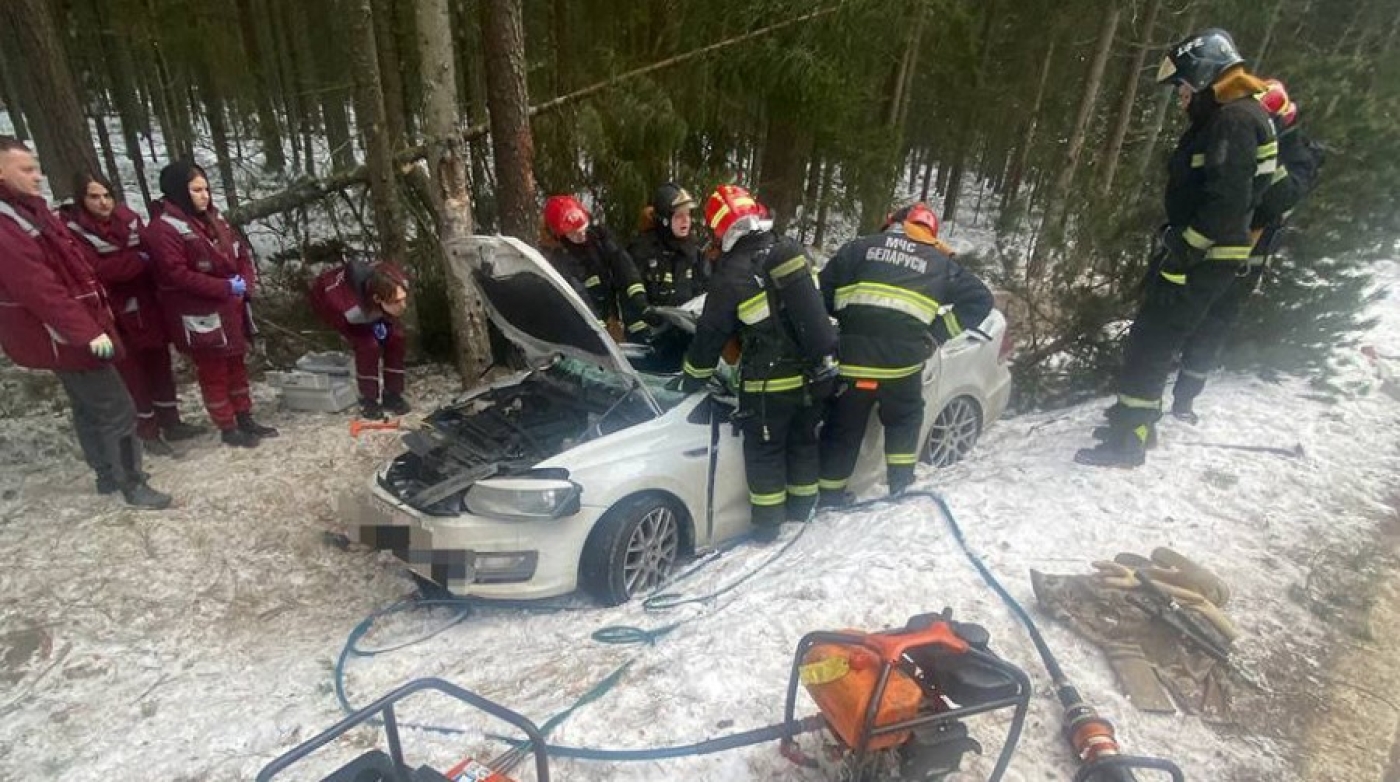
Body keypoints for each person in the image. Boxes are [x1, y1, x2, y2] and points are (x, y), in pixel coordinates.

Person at [1076, 29, 1278, 468]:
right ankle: (1132, 419)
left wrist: (1185, 249)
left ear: (1205, 75)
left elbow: (1227, 201)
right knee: (1152, 334)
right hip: (1206, 254)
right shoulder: (1235, 115)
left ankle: (1131, 438)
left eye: (1184, 86)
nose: (1181, 97)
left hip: (1203, 257)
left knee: (1153, 339)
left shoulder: (1234, 121)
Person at [0, 136, 171, 509]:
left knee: (88, 405)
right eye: (26, 169)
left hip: (71, 330)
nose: (38, 176)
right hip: (64, 335)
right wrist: (89, 333)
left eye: (37, 167)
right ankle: (131, 482)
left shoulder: (29, 211)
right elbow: (40, 290)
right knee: (118, 408)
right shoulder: (6, 227)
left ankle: (107, 474)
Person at [680, 184, 838, 540]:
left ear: (720, 230)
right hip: (812, 376)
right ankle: (802, 515)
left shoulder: (731, 274)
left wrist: (690, 380)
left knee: (765, 453)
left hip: (767, 385)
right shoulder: (791, 252)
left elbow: (709, 337)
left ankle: (767, 528)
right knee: (803, 445)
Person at [1168, 78, 1323, 424]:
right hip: (1205, 243)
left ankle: (1184, 400)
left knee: (1212, 327)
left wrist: (1260, 159)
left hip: (1246, 257)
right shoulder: (1234, 130)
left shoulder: (1297, 154)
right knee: (1173, 315)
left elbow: (1279, 199)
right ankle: (1146, 385)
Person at [817, 203, 994, 503]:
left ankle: (829, 496)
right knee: (903, 421)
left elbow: (821, 293)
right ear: (931, 235)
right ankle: (900, 488)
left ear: (893, 224)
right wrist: (936, 334)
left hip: (855, 363)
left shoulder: (859, 248)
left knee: (843, 430)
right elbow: (981, 300)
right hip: (902, 367)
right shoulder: (939, 263)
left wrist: (843, 325)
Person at [60, 171, 203, 457]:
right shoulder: (75, 230)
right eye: (94, 197)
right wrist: (137, 260)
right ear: (82, 199)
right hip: (115, 311)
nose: (102, 203)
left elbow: (154, 251)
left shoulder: (129, 219)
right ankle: (147, 432)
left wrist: (139, 261)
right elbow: (98, 270)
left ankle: (171, 422)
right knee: (132, 375)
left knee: (160, 366)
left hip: (148, 304)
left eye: (106, 195)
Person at [144, 161, 278, 448]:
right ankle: (227, 426)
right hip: (200, 313)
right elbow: (176, 274)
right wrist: (223, 287)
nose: (204, 196)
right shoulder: (164, 228)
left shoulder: (215, 218)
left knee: (236, 365)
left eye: (206, 189)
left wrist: (245, 282)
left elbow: (240, 252)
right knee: (214, 371)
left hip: (231, 307)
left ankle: (244, 416)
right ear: (180, 191)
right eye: (196, 190)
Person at [308, 256, 410, 419]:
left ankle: (393, 394)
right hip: (338, 307)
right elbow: (342, 319)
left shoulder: (396, 279)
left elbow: (391, 297)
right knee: (368, 346)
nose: (403, 307)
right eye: (397, 302)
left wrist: (385, 317)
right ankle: (368, 399)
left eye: (403, 300)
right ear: (377, 300)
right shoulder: (347, 307)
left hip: (373, 302)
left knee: (396, 338)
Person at [538, 195, 650, 341]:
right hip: (587, 327)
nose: (582, 236)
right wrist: (598, 329)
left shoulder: (599, 238)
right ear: (559, 234)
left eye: (583, 229)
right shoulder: (559, 260)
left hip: (615, 316)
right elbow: (578, 294)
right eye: (574, 233)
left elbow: (623, 266)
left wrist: (639, 300)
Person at [627, 183, 707, 306]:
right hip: (654, 323)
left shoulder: (695, 253)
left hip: (688, 323)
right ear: (664, 220)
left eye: (688, 214)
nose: (686, 220)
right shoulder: (642, 251)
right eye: (679, 215)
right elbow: (633, 302)